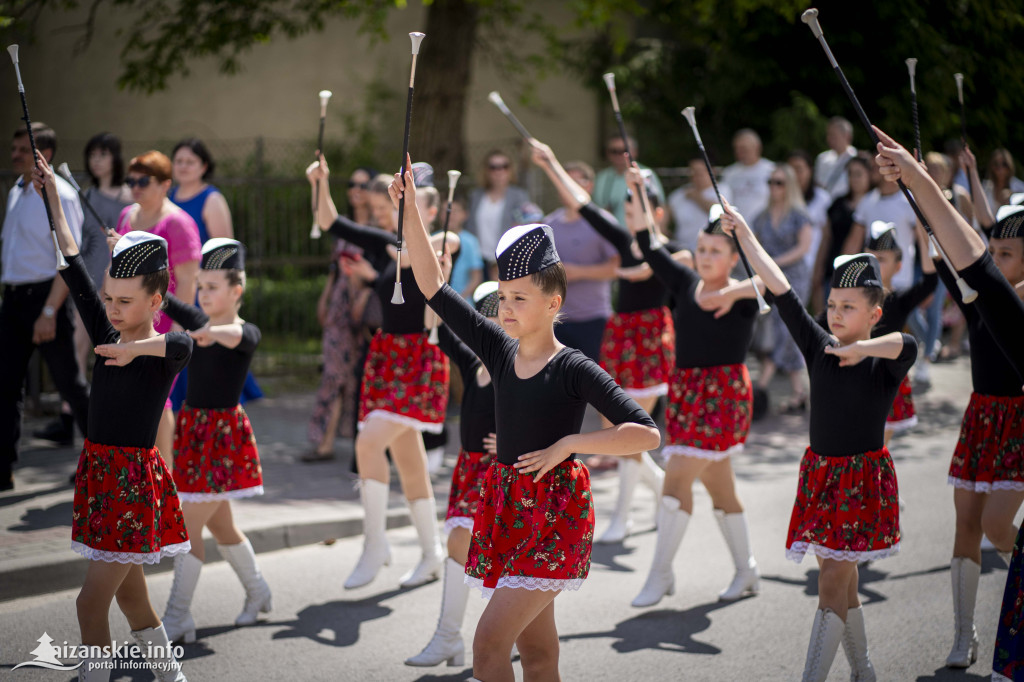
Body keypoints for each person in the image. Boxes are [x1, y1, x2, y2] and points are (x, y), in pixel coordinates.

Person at [392, 157, 660, 682]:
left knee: (489, 644)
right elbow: (433, 287)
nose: (506, 308)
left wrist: (569, 445)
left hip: (555, 515)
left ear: (554, 302)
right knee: (539, 654)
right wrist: (409, 215)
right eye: (503, 297)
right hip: (506, 507)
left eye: (520, 299)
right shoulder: (497, 348)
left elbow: (645, 434)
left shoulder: (574, 366)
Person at [723, 197, 916, 682]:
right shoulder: (818, 345)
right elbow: (781, 287)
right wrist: (744, 232)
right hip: (822, 477)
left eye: (848, 307)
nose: (834, 314)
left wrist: (862, 349)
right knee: (842, 584)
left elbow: (907, 344)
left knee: (832, 582)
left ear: (875, 313)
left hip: (862, 480)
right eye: (831, 305)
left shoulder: (883, 359)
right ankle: (864, 670)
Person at [872, 125, 1024, 680]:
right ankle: (964, 634)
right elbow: (957, 262)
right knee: (966, 523)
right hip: (983, 412)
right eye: (997, 250)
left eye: (1010, 252)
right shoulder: (984, 291)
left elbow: (973, 261)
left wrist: (945, 196)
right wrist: (925, 210)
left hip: (1017, 418)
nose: (998, 259)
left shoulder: (1014, 302)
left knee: (999, 526)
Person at [33, 153, 190, 681]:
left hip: (131, 486)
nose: (114, 310)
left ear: (156, 300)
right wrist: (53, 194)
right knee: (133, 604)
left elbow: (184, 345)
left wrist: (136, 350)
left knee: (88, 605)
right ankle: (172, 675)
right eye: (109, 300)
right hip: (100, 476)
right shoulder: (105, 331)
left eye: (126, 301)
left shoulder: (155, 350)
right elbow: (71, 258)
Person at [306, 158, 457, 591]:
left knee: (369, 441)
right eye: (392, 209)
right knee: (410, 463)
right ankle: (430, 554)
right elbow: (329, 220)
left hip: (420, 362)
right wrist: (321, 184)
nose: (391, 214)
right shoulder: (385, 242)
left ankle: (375, 545)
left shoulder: (438, 241)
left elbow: (448, 241)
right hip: (387, 357)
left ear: (428, 210)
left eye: (406, 207)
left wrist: (411, 226)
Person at [621, 168, 762, 608]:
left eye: (716, 251)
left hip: (722, 397)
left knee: (677, 475)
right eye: (701, 249)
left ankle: (659, 574)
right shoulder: (684, 283)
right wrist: (639, 192)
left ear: (733, 257)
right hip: (686, 395)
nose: (704, 256)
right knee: (721, 489)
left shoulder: (746, 296)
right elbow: (649, 245)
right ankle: (747, 570)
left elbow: (774, 283)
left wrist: (734, 292)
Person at [529, 141, 668, 544]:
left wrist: (636, 271)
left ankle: (622, 518)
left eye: (637, 210)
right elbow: (584, 204)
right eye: (626, 211)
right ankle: (662, 489)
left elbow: (679, 270)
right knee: (616, 429)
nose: (630, 218)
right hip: (621, 337)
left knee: (630, 429)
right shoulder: (626, 244)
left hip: (651, 343)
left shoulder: (671, 252)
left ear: (657, 213)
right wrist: (551, 161)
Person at [159, 239, 271, 645]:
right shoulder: (199, 325)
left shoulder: (244, 332)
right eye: (200, 287)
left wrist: (200, 327)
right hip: (193, 433)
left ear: (236, 290)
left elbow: (232, 335)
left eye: (212, 287)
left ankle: (176, 617)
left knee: (188, 526)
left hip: (221, 441)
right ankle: (259, 592)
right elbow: (180, 312)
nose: (203, 294)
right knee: (222, 526)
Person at [406, 281, 499, 668]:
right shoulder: (470, 359)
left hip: (503, 471)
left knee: (504, 557)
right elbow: (435, 322)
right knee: (459, 541)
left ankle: (505, 635)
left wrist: (514, 439)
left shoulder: (516, 366)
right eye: (481, 315)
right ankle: (449, 638)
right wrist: (436, 280)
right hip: (470, 468)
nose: (489, 323)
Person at [1, 122, 89, 492]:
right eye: (14, 148)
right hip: (14, 298)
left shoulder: (62, 195)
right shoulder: (16, 191)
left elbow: (68, 256)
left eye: (24, 150)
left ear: (44, 155)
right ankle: (3, 467)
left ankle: (104, 455)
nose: (15, 155)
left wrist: (50, 311)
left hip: (47, 297)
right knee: (5, 385)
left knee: (70, 384)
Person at [35, 133, 133, 447]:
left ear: (115, 158)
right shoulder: (85, 194)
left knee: (110, 354)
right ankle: (70, 420)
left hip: (115, 284)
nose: (96, 160)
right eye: (92, 155)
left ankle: (105, 425)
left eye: (103, 154)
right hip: (88, 279)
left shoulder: (130, 197)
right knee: (77, 352)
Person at [115, 151, 202, 468]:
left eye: (143, 180)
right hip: (131, 320)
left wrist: (178, 332)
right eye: (131, 180)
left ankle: (165, 475)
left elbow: (190, 282)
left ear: (166, 184)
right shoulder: (126, 216)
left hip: (164, 324)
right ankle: (141, 468)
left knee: (159, 398)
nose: (136, 187)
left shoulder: (178, 222)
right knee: (134, 396)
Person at [168, 138, 262, 412]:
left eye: (190, 161)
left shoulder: (212, 199)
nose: (183, 167)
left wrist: (213, 293)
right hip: (173, 287)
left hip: (203, 289)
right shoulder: (168, 198)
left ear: (203, 166)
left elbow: (225, 254)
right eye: (178, 161)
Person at [305, 166, 376, 461]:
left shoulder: (381, 225)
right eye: (352, 183)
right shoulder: (343, 226)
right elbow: (335, 269)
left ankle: (362, 443)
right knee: (333, 373)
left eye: (364, 184)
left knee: (359, 376)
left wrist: (368, 295)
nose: (357, 190)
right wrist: (325, 298)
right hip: (339, 305)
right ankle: (325, 442)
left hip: (368, 307)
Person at [537, 159, 620, 363]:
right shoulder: (548, 224)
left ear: (589, 185)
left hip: (594, 319)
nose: (567, 187)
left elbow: (617, 267)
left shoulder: (603, 222)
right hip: (556, 321)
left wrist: (579, 272)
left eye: (574, 182)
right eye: (562, 181)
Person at [862, 221, 937, 445]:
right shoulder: (850, 299)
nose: (874, 265)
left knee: (877, 443)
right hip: (858, 374)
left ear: (898, 266)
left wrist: (924, 238)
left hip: (887, 377)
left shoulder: (900, 300)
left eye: (882, 259)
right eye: (869, 258)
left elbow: (930, 282)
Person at [752, 164, 813, 412]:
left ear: (789, 186)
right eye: (770, 182)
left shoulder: (799, 214)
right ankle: (799, 392)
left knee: (786, 328)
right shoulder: (762, 216)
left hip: (793, 278)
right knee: (783, 331)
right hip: (769, 277)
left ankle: (763, 384)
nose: (773, 187)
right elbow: (752, 244)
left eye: (779, 182)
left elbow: (804, 248)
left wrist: (773, 262)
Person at [844, 162, 919, 292]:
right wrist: (844, 276)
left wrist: (928, 283)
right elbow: (853, 242)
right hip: (871, 283)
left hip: (902, 283)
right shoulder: (866, 201)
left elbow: (924, 241)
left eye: (877, 167)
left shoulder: (909, 201)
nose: (872, 170)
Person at [465, 150, 534, 281]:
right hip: (478, 261)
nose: (499, 171)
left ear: (510, 170)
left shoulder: (519, 196)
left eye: (504, 166)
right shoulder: (475, 196)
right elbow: (468, 227)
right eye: (493, 167)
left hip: (506, 260)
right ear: (486, 171)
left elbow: (525, 228)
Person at [816, 155, 874, 306]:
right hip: (834, 270)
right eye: (850, 174)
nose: (854, 178)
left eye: (858, 173)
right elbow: (826, 238)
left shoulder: (876, 203)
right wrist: (819, 268)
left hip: (865, 275)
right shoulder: (837, 203)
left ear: (869, 174)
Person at [592, 134, 666, 228]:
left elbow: (661, 206)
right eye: (614, 151)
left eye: (624, 151)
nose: (619, 155)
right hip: (610, 236)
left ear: (635, 152)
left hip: (641, 233)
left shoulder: (646, 174)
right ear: (607, 153)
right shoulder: (601, 177)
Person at [668, 158, 729, 253]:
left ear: (712, 171)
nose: (695, 175)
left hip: (711, 252)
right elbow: (665, 214)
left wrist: (696, 197)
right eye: (692, 171)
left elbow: (719, 212)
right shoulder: (679, 194)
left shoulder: (723, 190)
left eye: (700, 171)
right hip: (683, 250)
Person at [721, 128, 775, 221]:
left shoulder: (772, 170)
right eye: (736, 148)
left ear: (757, 147)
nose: (739, 152)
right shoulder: (729, 173)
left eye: (743, 148)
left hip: (764, 227)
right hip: (736, 227)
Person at [446, 195, 484, 299]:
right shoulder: (433, 238)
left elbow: (476, 276)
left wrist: (459, 299)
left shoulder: (471, 241)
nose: (450, 215)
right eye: (446, 210)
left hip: (464, 303)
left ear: (465, 214)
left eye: (456, 211)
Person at [813, 117, 857, 200]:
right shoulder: (822, 158)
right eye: (828, 134)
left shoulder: (856, 158)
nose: (829, 139)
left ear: (847, 136)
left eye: (833, 135)